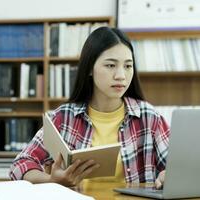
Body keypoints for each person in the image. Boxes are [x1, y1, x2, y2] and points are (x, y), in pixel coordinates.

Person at [9, 27, 170, 189]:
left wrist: (167, 175)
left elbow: (177, 167)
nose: (121, 75)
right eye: (110, 65)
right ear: (89, 69)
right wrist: (52, 180)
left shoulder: (149, 117)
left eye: (128, 66)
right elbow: (20, 164)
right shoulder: (64, 117)